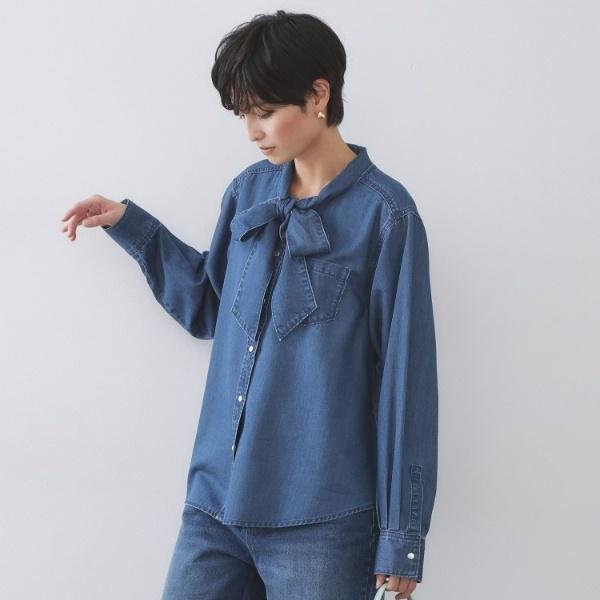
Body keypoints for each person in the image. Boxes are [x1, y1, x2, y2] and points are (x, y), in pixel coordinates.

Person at [60, 10, 438, 600]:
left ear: (319, 94)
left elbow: (405, 383)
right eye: (242, 114)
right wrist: (130, 225)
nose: (251, 131)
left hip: (321, 521)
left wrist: (401, 536)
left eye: (264, 111)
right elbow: (208, 306)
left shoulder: (386, 216)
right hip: (214, 506)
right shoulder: (247, 192)